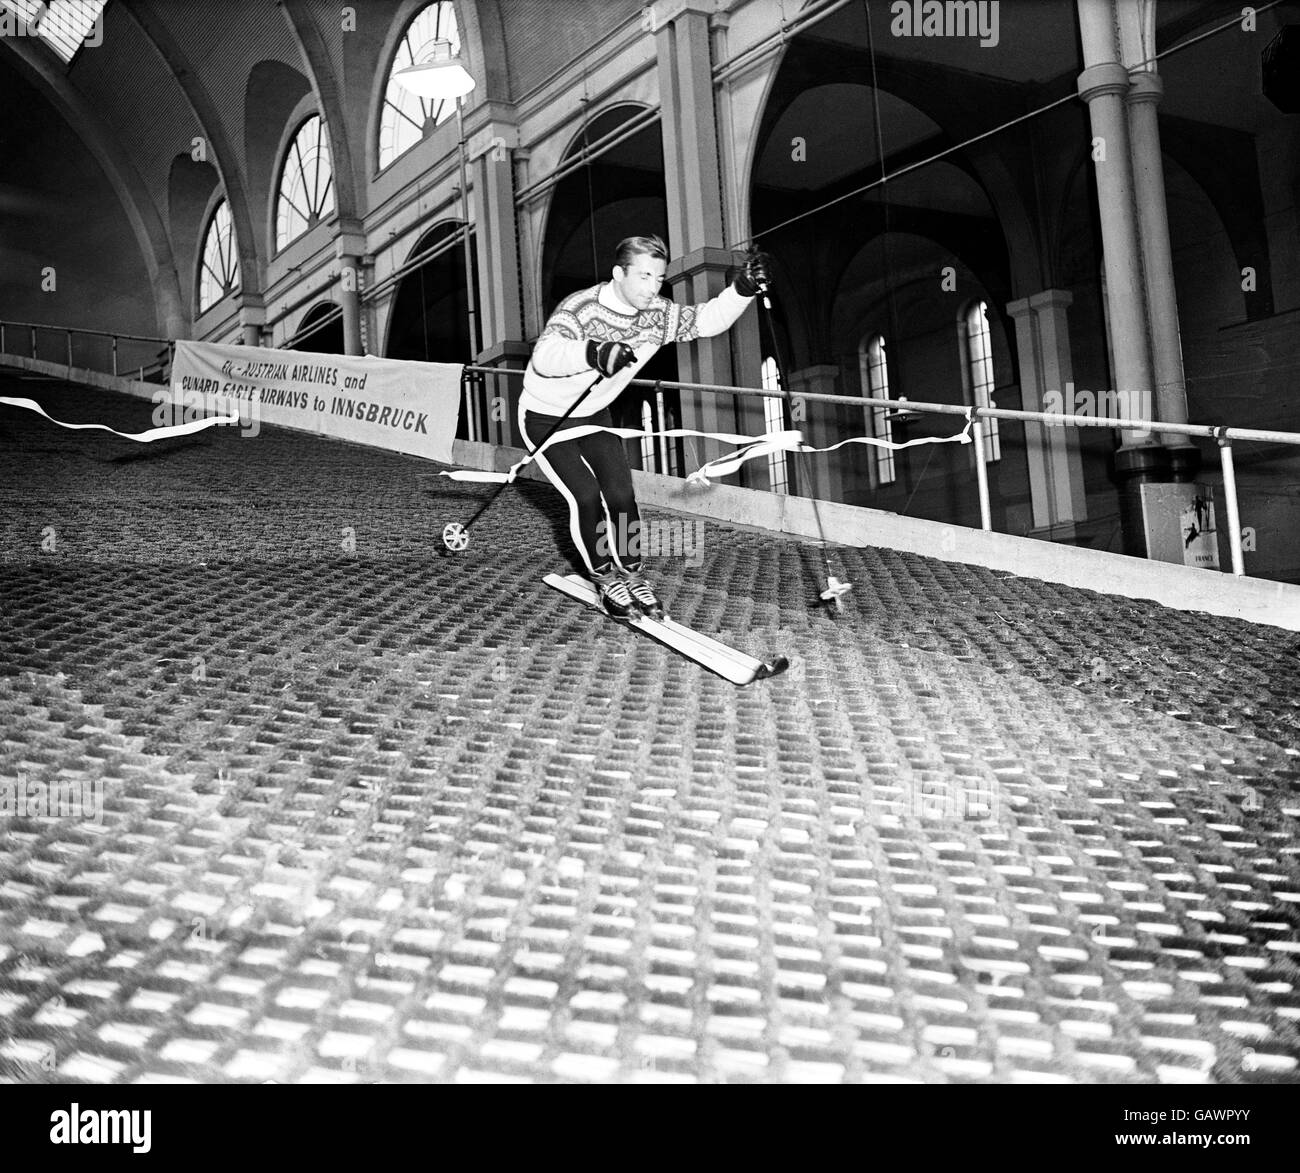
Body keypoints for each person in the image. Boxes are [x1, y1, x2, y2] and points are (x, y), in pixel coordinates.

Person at [519, 235, 771, 620]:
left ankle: (632, 574)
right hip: (545, 415)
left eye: (658, 277)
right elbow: (545, 356)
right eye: (643, 276)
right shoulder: (581, 308)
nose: (652, 287)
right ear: (619, 273)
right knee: (585, 496)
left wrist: (741, 290)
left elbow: (704, 321)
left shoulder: (656, 312)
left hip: (594, 413)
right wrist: (593, 351)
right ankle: (604, 579)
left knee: (621, 495)